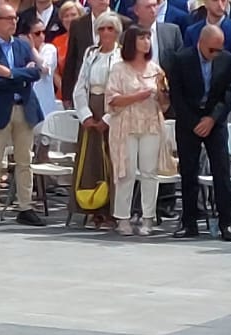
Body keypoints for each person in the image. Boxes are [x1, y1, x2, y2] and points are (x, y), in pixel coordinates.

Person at [0, 2, 47, 227]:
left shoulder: (23, 46)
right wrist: (20, 76)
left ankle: (25, 206)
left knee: (25, 160)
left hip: (23, 109)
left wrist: (11, 73)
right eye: (8, 19)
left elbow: (36, 72)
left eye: (15, 18)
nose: (13, 22)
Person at [169, 25, 231, 239]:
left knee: (221, 170)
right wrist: (194, 123)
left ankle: (227, 222)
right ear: (200, 43)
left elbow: (229, 94)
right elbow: (176, 95)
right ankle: (189, 223)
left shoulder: (226, 60)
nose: (215, 55)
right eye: (211, 50)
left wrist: (211, 119)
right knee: (189, 172)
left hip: (214, 121)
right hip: (188, 120)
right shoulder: (181, 60)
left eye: (219, 50)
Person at [103, 24, 167, 237]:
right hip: (126, 125)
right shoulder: (119, 69)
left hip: (150, 123)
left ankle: (148, 217)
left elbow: (165, 103)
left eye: (148, 38)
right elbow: (111, 100)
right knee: (126, 172)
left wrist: (161, 95)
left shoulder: (155, 69)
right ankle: (122, 217)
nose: (146, 42)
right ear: (132, 41)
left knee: (149, 172)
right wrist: (137, 96)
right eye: (141, 38)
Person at [71, 12, 121, 228]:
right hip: (92, 107)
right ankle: (92, 208)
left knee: (112, 159)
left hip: (113, 109)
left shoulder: (121, 55)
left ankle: (111, 210)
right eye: (101, 29)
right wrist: (85, 114)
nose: (106, 33)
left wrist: (108, 117)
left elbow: (122, 87)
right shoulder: (91, 54)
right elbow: (81, 85)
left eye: (110, 28)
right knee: (90, 159)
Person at [61, 0, 114, 108]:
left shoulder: (124, 22)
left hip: (113, 91)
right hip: (83, 93)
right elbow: (71, 60)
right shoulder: (78, 24)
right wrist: (66, 95)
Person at [26, 16, 62, 120]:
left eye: (44, 32)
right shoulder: (21, 50)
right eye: (37, 33)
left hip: (45, 105)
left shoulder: (49, 49)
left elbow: (44, 68)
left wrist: (32, 48)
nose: (42, 36)